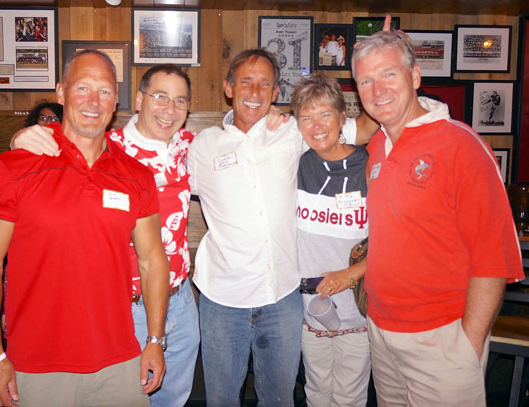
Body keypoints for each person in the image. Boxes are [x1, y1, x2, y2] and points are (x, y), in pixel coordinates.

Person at [0, 50, 169, 407]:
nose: (94, 101)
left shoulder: (136, 175)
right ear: (61, 93)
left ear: (116, 102)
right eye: (83, 88)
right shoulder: (14, 167)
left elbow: (153, 260)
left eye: (105, 91)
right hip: (37, 366)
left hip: (120, 362)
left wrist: (155, 340)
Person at [187, 48, 376, 406]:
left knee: (279, 400)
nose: (254, 92)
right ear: (228, 87)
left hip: (283, 298)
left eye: (265, 84)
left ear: (275, 93)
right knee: (221, 400)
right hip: (223, 299)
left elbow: (365, 127)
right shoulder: (202, 146)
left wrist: (378, 65)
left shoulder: (293, 131)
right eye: (246, 82)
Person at [10, 63, 199, 407]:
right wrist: (22, 138)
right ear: (138, 100)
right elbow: (57, 147)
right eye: (160, 97)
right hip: (125, 306)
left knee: (175, 398)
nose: (170, 109)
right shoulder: (104, 146)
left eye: (180, 101)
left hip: (181, 300)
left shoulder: (190, 146)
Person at [351, 30, 524, 406]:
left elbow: (492, 258)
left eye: (389, 74)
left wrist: (467, 347)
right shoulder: (377, 146)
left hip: (441, 340)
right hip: (381, 333)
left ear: (414, 76)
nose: (378, 89)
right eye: (366, 80)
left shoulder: (461, 145)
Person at [291, 73, 370, 407]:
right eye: (306, 117)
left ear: (342, 118)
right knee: (316, 392)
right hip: (311, 310)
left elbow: (392, 241)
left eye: (325, 114)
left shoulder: (369, 164)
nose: (317, 126)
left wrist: (348, 275)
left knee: (348, 397)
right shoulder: (295, 164)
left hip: (358, 310)